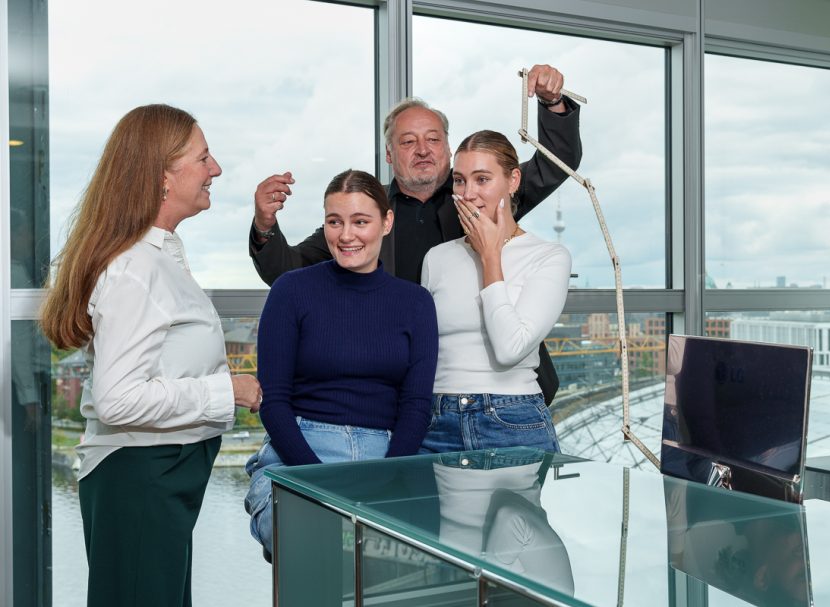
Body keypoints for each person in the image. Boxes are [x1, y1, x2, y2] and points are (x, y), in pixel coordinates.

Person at [248, 65, 582, 402]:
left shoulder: (481, 196)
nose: (423, 149)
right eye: (408, 141)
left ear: (448, 149)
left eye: (433, 139)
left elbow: (557, 162)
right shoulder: (365, 212)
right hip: (399, 390)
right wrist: (265, 225)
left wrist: (552, 103)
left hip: (506, 388)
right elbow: (288, 269)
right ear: (389, 155)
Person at [38, 104, 262, 607]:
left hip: (157, 477)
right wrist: (227, 390)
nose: (216, 169)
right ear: (163, 176)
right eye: (203, 158)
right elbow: (118, 400)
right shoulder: (134, 270)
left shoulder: (158, 257)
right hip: (141, 480)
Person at [244, 169, 438, 562]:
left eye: (360, 222)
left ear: (386, 222)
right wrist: (321, 484)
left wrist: (385, 478)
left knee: (407, 558)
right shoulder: (291, 291)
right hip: (299, 452)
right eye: (335, 222)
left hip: (387, 456)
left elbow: (416, 406)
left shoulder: (416, 303)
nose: (346, 235)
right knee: (315, 545)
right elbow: (274, 403)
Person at [419, 130, 570, 454]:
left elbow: (509, 348)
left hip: (511, 419)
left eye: (482, 179)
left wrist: (490, 256)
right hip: (436, 421)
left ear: (513, 180)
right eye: (459, 181)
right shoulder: (437, 258)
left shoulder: (547, 256)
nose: (468, 194)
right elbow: (425, 351)